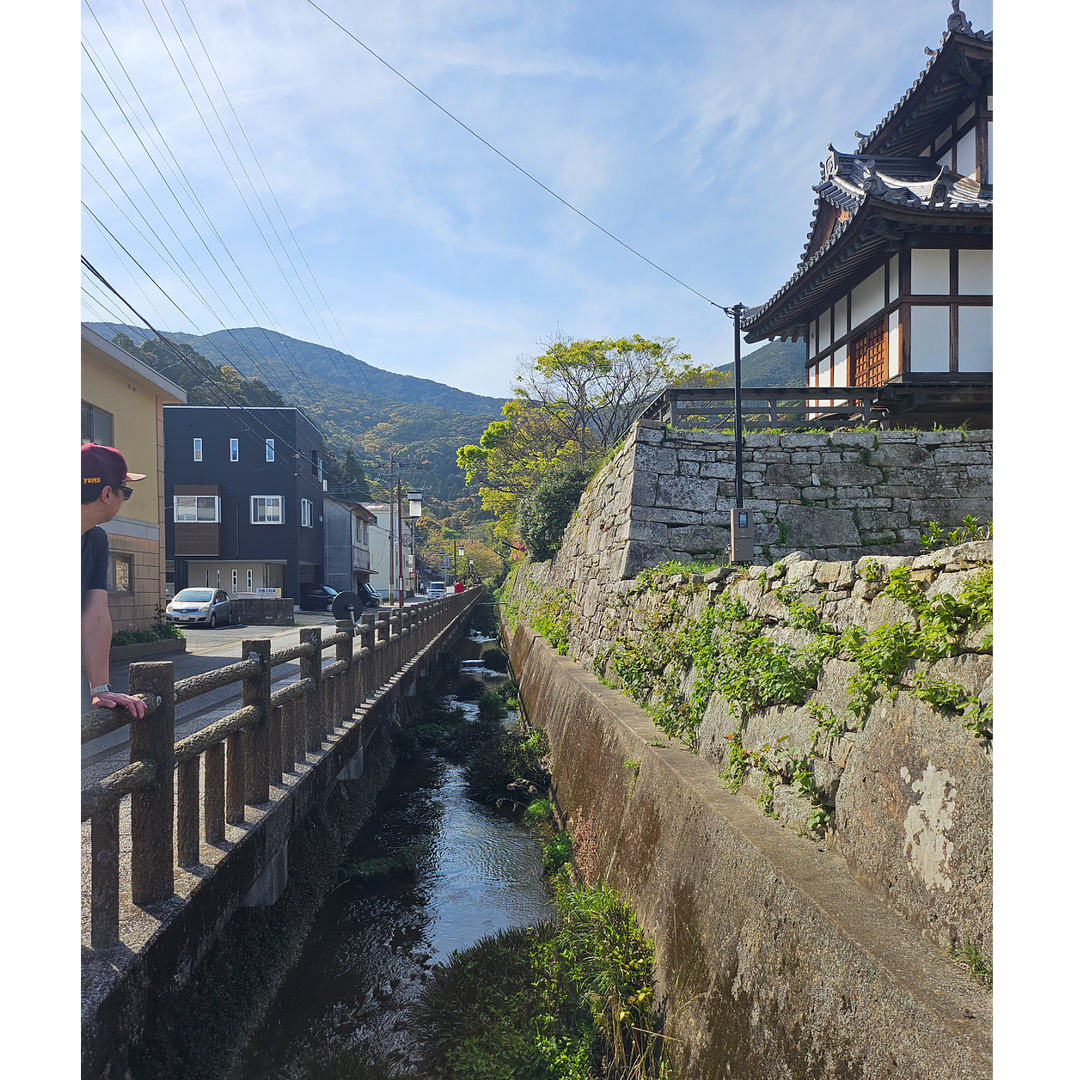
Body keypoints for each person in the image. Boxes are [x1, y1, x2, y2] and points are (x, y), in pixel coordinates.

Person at [79, 443, 147, 718]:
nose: (124, 497)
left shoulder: (94, 539)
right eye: (125, 491)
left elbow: (95, 616)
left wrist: (100, 689)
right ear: (107, 493)